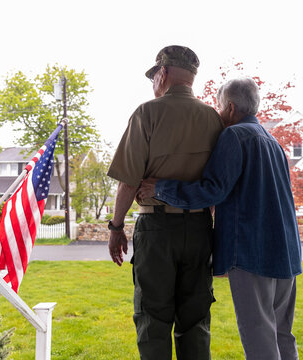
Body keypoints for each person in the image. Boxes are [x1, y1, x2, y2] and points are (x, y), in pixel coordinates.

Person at [138, 77, 302, 360]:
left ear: (229, 107)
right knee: (282, 335)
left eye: (218, 106)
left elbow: (211, 191)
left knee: (259, 337)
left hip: (253, 254)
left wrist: (159, 188)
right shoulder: (273, 142)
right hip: (286, 253)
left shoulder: (234, 136)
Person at [106, 45, 223, 360]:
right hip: (200, 228)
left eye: (154, 76)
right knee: (196, 320)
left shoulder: (147, 112)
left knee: (153, 318)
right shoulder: (213, 118)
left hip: (156, 228)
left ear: (163, 72)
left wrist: (116, 227)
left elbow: (129, 181)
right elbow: (218, 184)